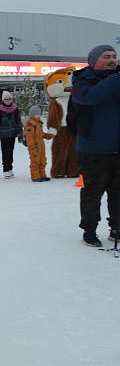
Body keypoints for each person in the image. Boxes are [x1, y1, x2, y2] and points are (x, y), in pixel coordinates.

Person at [71, 44, 120, 247]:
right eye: (106, 56)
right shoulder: (82, 81)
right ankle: (89, 230)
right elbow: (92, 97)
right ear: (93, 61)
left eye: (114, 56)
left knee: (118, 193)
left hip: (117, 148)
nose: (112, 60)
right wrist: (116, 78)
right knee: (92, 192)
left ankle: (116, 228)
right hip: (92, 150)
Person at [0, 90, 23, 178]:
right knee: (5, 152)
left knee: (11, 151)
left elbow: (19, 122)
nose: (8, 101)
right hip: (3, 134)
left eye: (9, 99)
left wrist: (20, 134)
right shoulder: (0, 110)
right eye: (6, 99)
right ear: (3, 100)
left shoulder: (15, 109)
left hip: (12, 133)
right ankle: (5, 169)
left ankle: (10, 168)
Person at [22, 105, 56, 182]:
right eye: (36, 114)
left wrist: (48, 135)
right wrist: (32, 148)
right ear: (32, 115)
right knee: (35, 162)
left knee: (42, 161)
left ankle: (42, 175)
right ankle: (35, 176)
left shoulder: (38, 123)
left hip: (41, 146)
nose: (38, 116)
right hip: (35, 147)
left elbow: (40, 134)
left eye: (39, 114)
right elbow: (29, 138)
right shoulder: (31, 125)